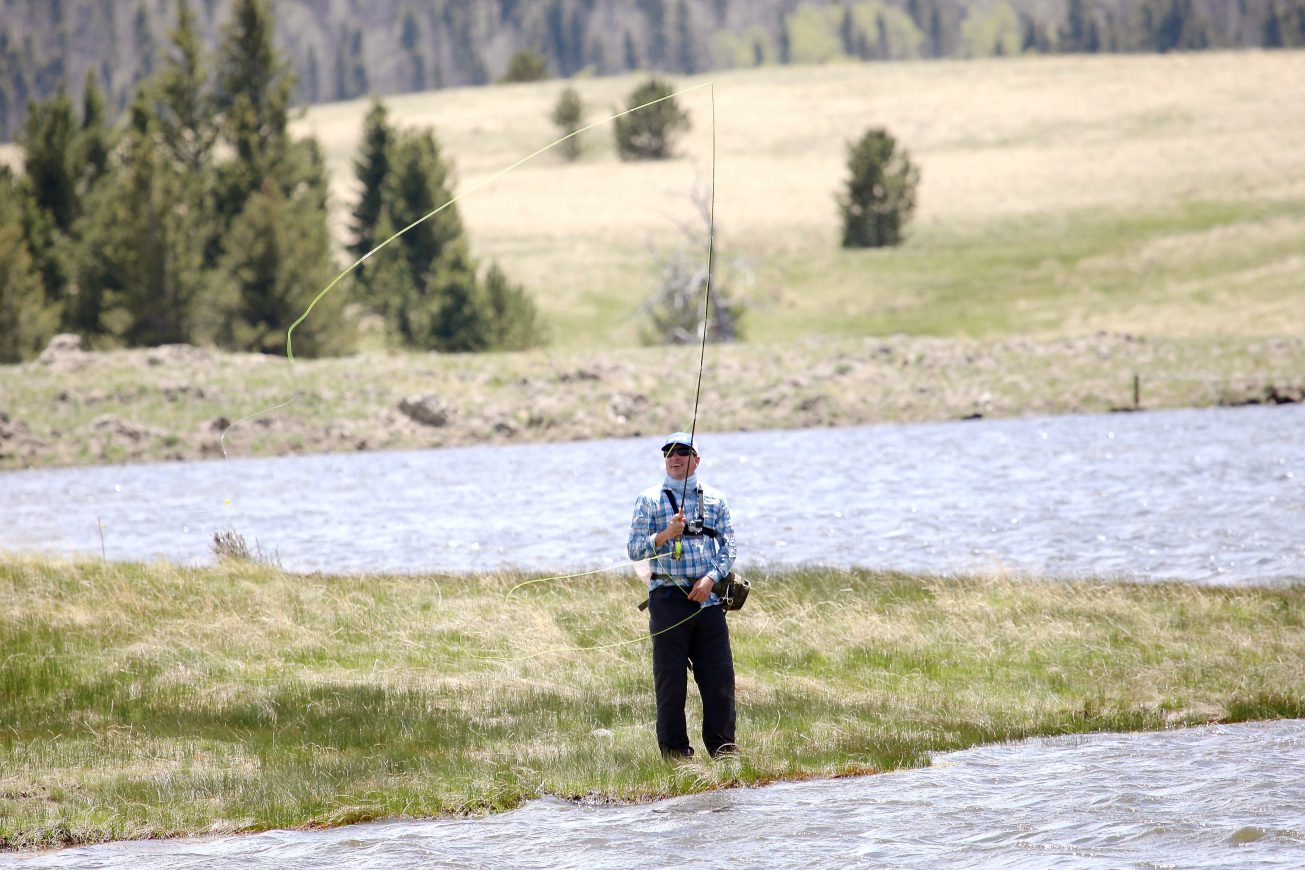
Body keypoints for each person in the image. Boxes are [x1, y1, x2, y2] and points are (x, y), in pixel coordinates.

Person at [627, 431, 738, 759]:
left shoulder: (715, 499)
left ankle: (724, 751)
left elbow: (729, 546)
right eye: (670, 454)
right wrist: (663, 535)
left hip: (708, 600)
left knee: (719, 679)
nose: (675, 459)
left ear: (697, 460)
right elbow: (633, 549)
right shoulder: (649, 499)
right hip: (666, 599)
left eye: (683, 453)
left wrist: (710, 579)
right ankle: (676, 755)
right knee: (670, 682)